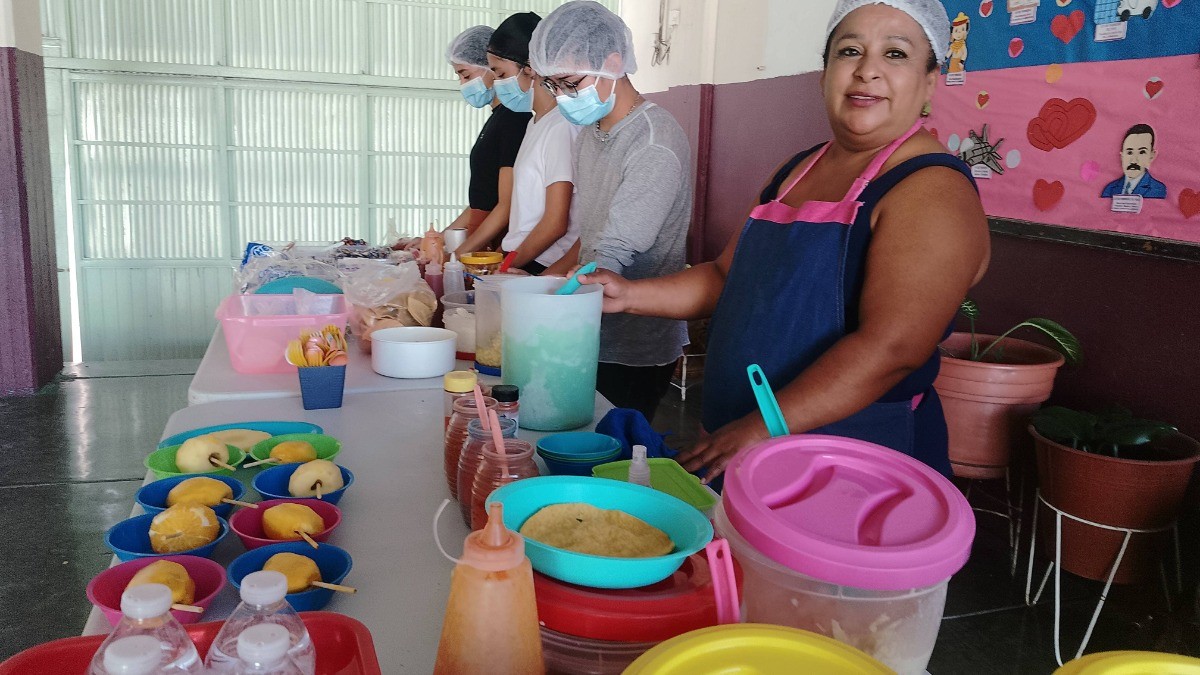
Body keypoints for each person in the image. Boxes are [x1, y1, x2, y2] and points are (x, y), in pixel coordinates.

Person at [579, 0, 990, 480]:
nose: (867, 72)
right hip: (749, 444)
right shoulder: (797, 172)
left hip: (855, 465)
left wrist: (760, 428)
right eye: (849, 50)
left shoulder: (931, 190)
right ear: (824, 72)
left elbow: (892, 349)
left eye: (895, 54)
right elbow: (724, 278)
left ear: (929, 80)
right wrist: (628, 294)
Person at [530, 1, 692, 423]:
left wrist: (544, 308)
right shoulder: (591, 133)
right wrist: (542, 281)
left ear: (614, 62)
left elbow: (613, 252)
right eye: (552, 85)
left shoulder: (654, 142)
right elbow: (592, 231)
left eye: (569, 83)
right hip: (589, 325)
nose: (563, 97)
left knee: (607, 454)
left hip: (635, 343)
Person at [456, 12, 581, 275]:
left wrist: (506, 266)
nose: (498, 84)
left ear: (530, 69)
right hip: (519, 256)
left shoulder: (562, 126)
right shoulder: (535, 124)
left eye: (501, 74)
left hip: (541, 263)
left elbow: (555, 222)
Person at [444, 25, 530, 243]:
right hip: (481, 239)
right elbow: (481, 198)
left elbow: (505, 204)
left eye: (465, 75)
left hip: (496, 244)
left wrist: (463, 253)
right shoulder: (497, 118)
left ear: (491, 67)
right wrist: (440, 238)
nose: (463, 85)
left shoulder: (514, 119)